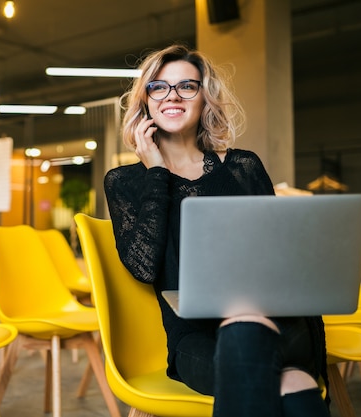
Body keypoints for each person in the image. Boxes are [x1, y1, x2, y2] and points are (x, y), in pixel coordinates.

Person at [104, 44, 330, 417]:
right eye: (159, 87)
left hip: (276, 320)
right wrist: (157, 171)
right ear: (145, 100)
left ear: (204, 98)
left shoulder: (243, 166)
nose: (172, 96)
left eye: (186, 87)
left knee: (251, 333)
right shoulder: (125, 182)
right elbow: (143, 268)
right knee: (293, 383)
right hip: (195, 338)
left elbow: (279, 254)